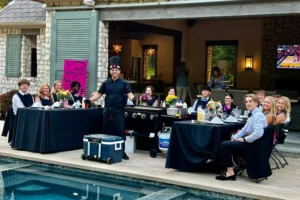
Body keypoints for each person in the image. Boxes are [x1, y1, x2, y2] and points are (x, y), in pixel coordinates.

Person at [90, 56, 135, 160]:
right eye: (112, 70)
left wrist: (133, 99)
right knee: (107, 131)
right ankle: (107, 150)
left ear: (119, 71)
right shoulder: (106, 83)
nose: (114, 71)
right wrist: (89, 100)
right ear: (110, 71)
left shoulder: (124, 84)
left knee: (120, 132)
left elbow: (130, 94)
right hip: (108, 111)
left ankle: (122, 152)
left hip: (119, 111)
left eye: (116, 70)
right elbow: (98, 94)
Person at [216, 94, 267, 181]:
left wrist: (244, 139)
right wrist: (234, 137)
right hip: (251, 143)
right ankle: (232, 168)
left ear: (256, 103)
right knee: (227, 142)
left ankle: (230, 172)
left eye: (250, 101)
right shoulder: (253, 114)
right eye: (246, 101)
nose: (248, 103)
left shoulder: (257, 115)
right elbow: (244, 129)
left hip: (253, 145)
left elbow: (258, 133)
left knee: (224, 145)